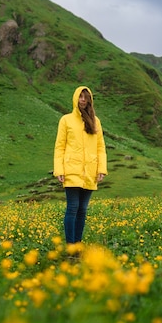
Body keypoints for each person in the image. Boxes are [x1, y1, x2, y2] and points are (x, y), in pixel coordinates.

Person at [53, 86, 108, 244]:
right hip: (71, 170)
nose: (83, 100)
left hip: (90, 171)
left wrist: (101, 169)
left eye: (86, 97)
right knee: (73, 208)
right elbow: (59, 146)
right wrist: (59, 170)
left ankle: (78, 244)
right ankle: (71, 246)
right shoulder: (66, 120)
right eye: (80, 96)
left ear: (90, 100)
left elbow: (100, 147)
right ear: (75, 98)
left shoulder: (95, 121)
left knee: (82, 210)